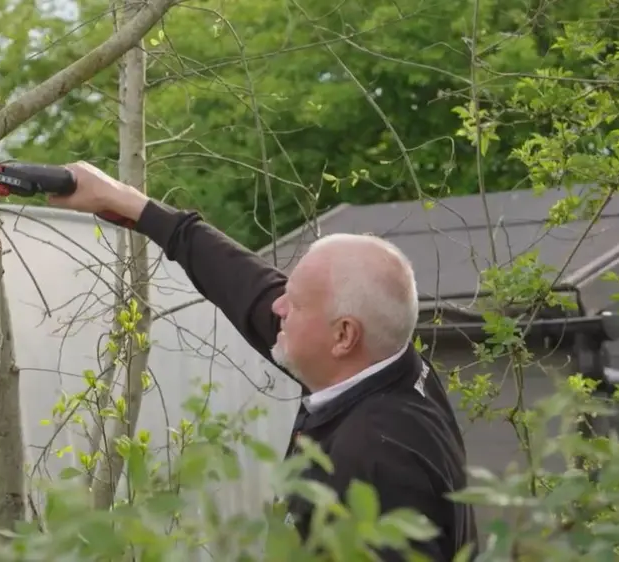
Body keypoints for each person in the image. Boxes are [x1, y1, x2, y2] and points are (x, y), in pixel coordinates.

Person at [47, 161, 479, 561]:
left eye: (295, 303)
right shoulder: (381, 364)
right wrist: (131, 205)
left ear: (343, 335)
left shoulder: (378, 464)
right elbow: (248, 287)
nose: (277, 308)